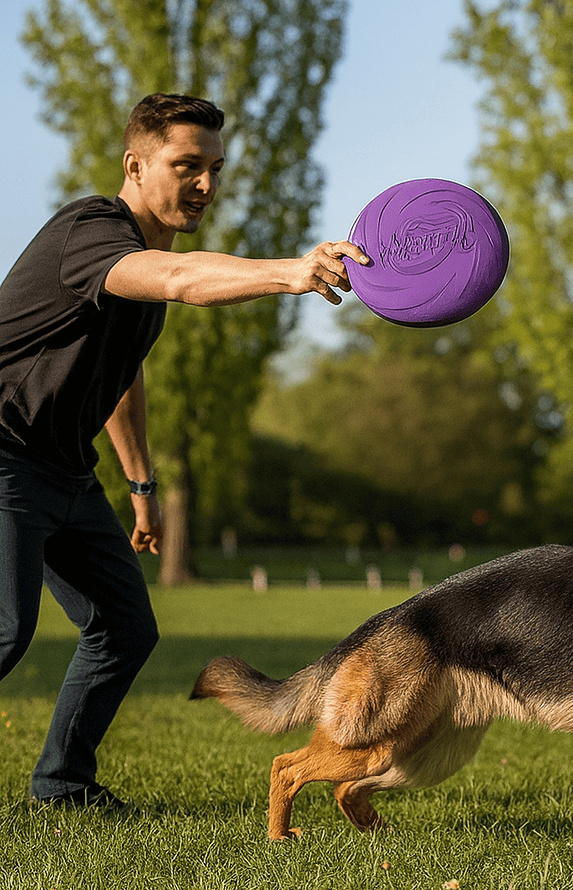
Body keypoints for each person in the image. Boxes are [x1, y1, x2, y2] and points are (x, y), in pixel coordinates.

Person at [0, 92, 369, 808]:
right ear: (136, 165)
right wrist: (291, 272)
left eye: (216, 169)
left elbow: (119, 378)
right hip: (5, 454)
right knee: (8, 631)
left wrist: (141, 486)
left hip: (66, 473)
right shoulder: (91, 231)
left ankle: (61, 785)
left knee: (126, 629)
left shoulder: (136, 265)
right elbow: (179, 279)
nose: (205, 185)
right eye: (187, 165)